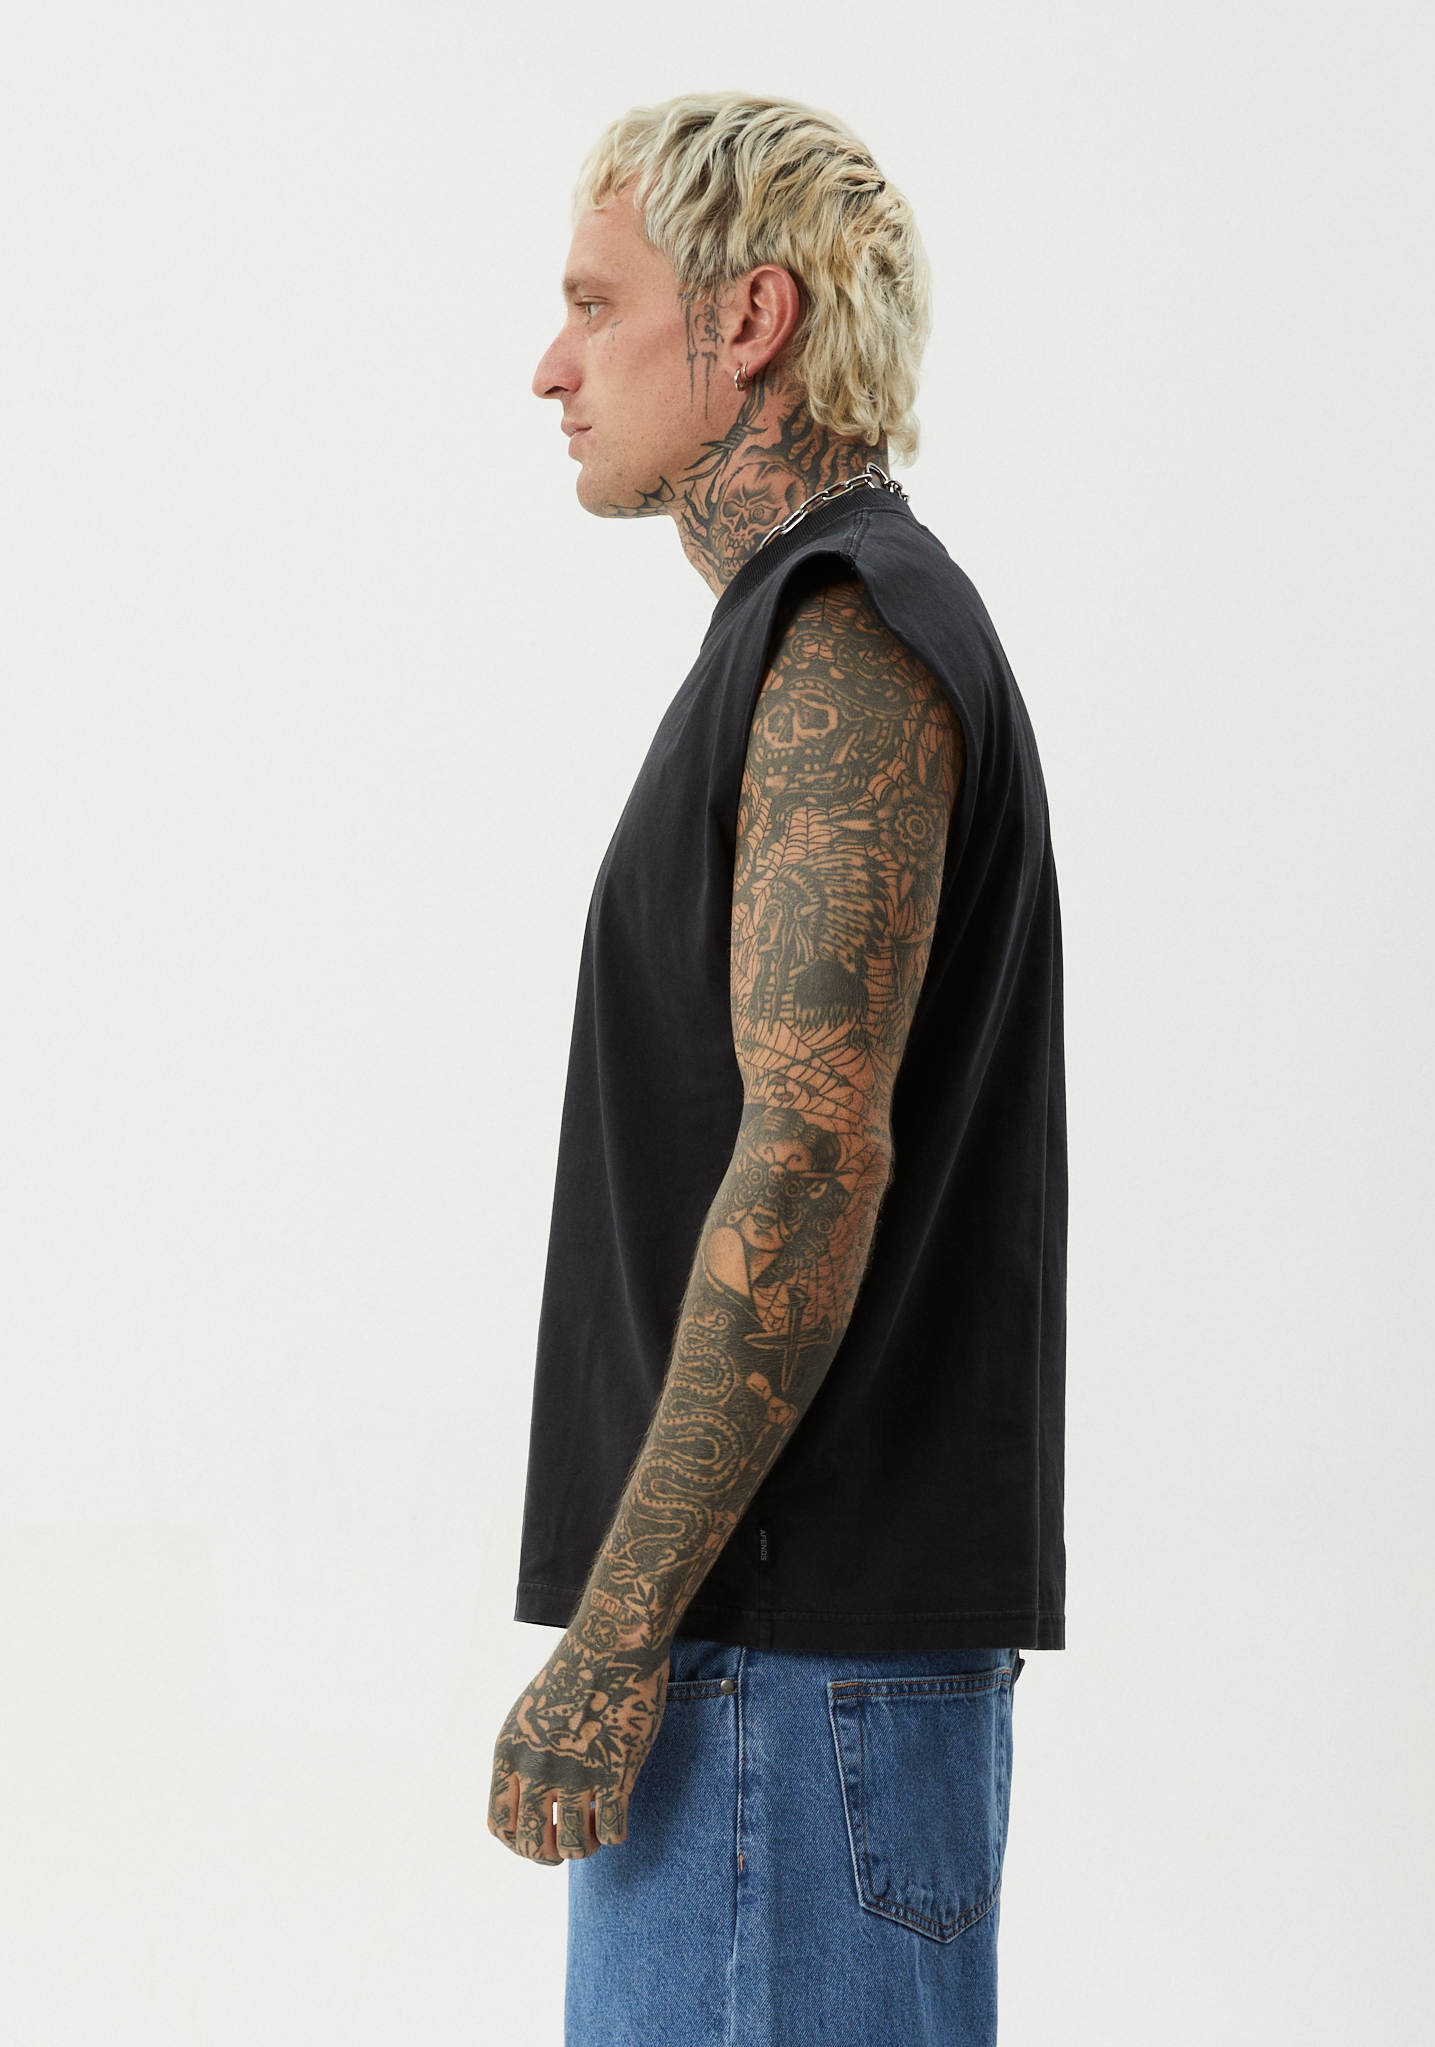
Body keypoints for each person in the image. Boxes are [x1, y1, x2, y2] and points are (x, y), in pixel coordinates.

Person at [488, 91, 1066, 2047]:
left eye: (596, 304)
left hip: (773, 1683)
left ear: (748, 319)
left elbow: (809, 1155)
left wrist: (614, 1637)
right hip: (773, 1680)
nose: (551, 365)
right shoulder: (811, 634)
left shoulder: (846, 635)